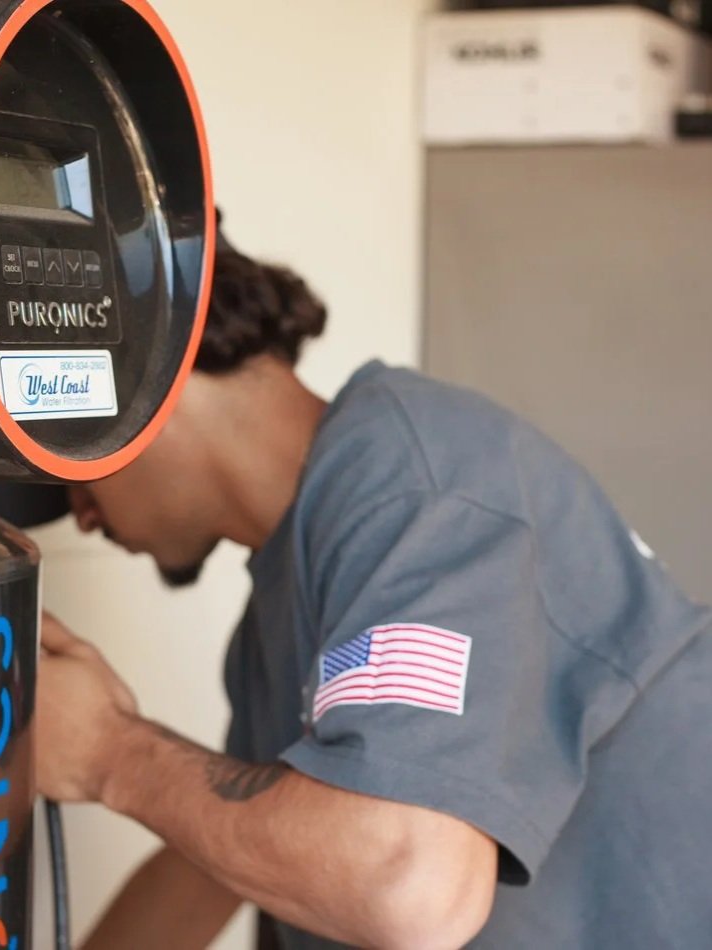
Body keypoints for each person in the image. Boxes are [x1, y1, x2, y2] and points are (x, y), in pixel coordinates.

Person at [35, 222, 712, 949]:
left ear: (150, 365)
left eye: (63, 452)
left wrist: (110, 754)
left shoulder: (418, 477)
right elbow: (223, 857)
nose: (78, 510)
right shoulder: (286, 601)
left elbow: (408, 883)